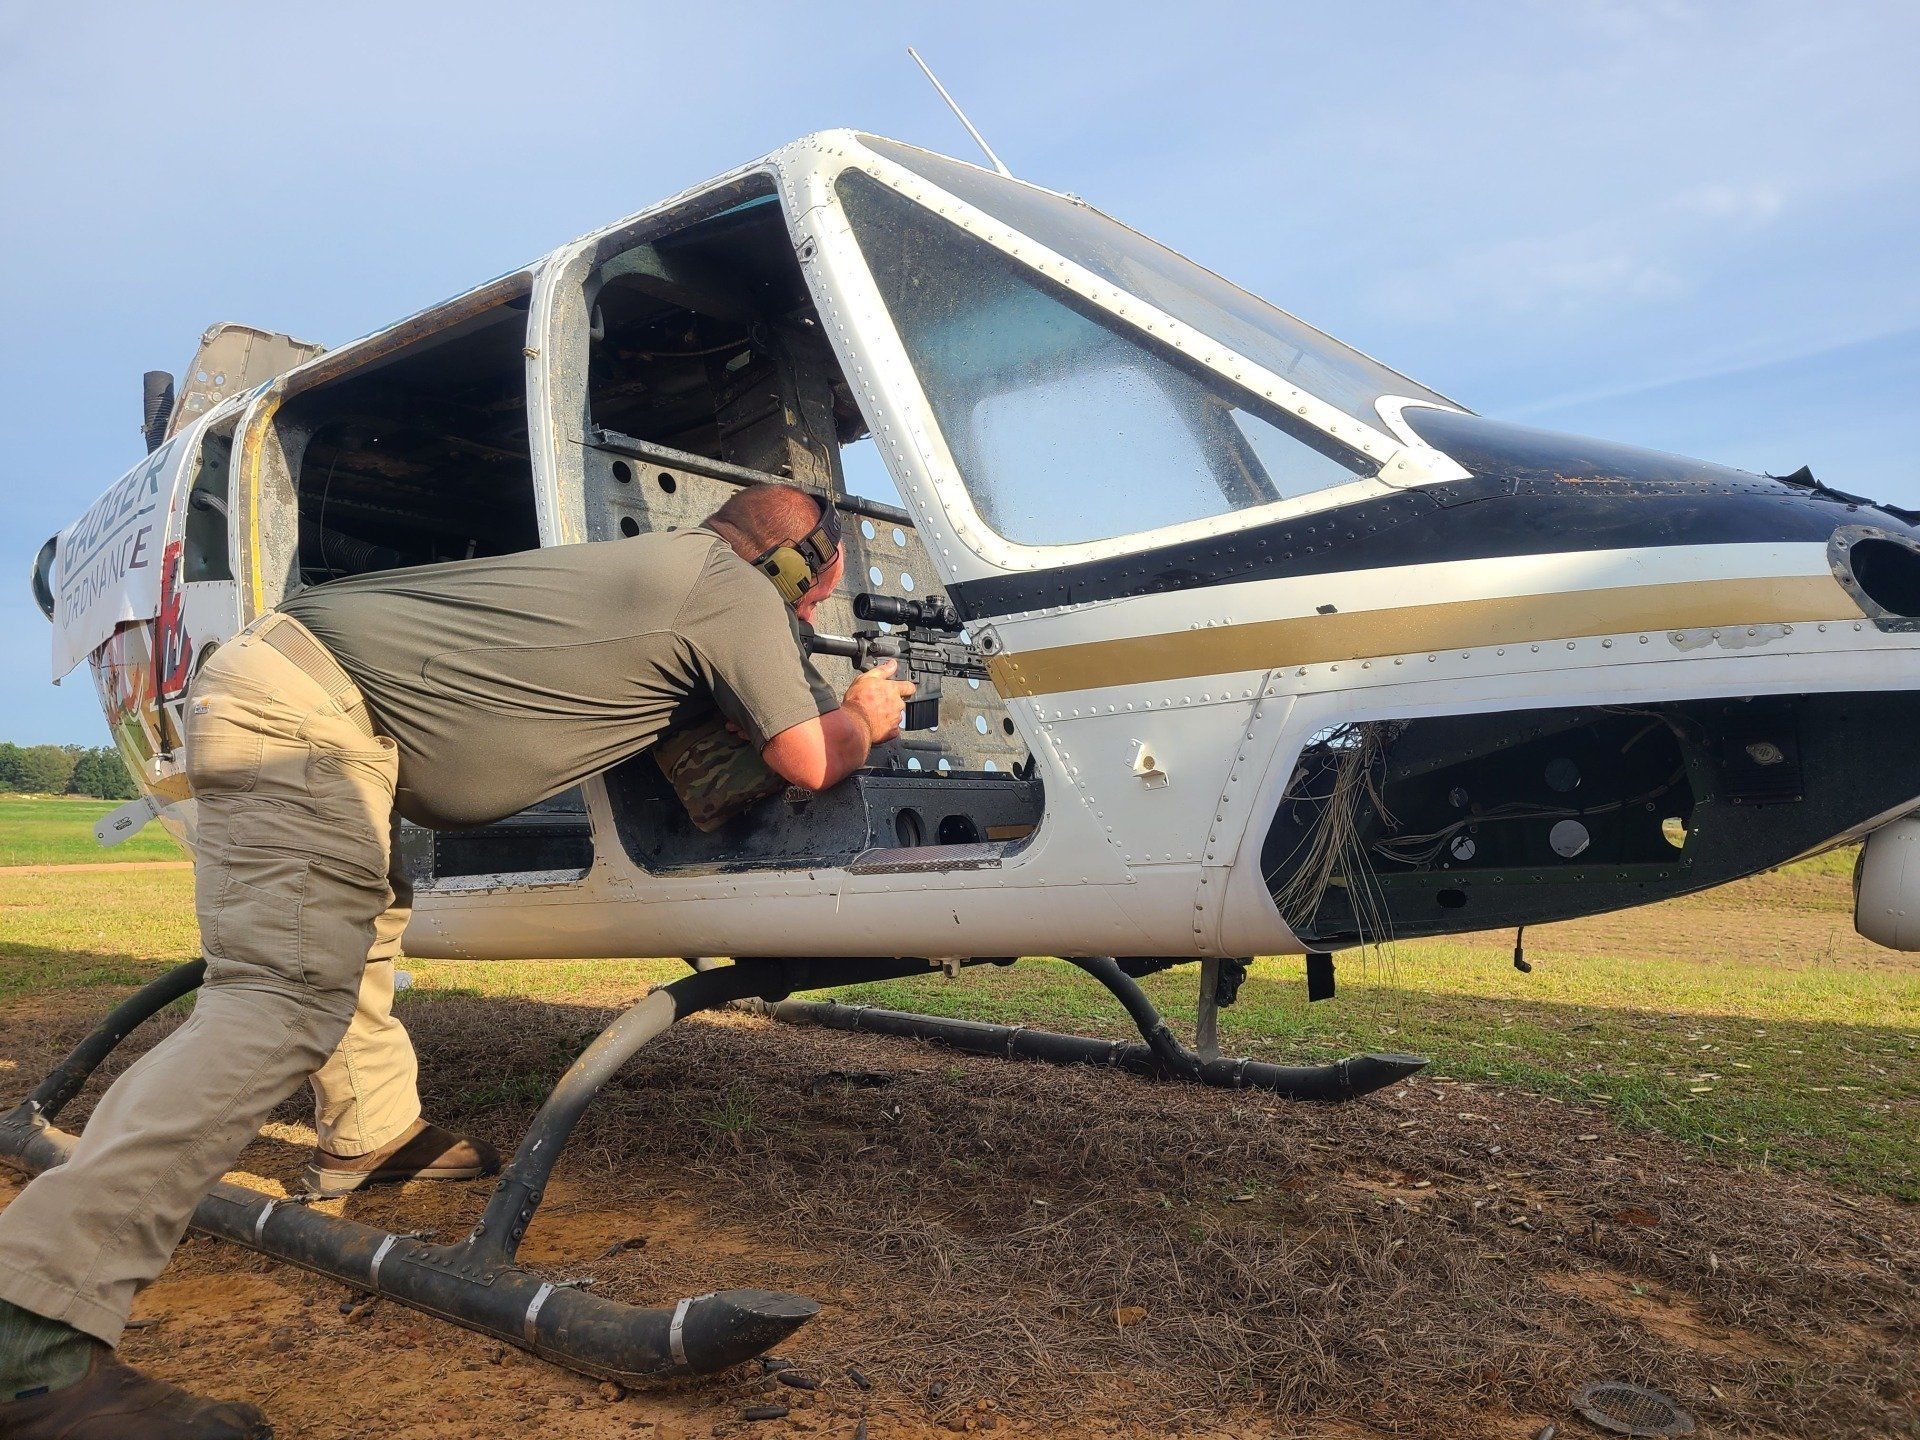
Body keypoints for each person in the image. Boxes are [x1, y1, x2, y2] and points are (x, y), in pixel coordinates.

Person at [0, 484, 913, 1438]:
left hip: (310, 700)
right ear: (797, 565)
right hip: (312, 718)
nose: (806, 616)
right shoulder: (728, 586)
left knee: (366, 919)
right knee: (274, 1005)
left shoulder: (665, 578)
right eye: (814, 595)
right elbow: (810, 758)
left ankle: (372, 1135)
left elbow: (699, 767)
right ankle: (30, 1339)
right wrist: (868, 710)